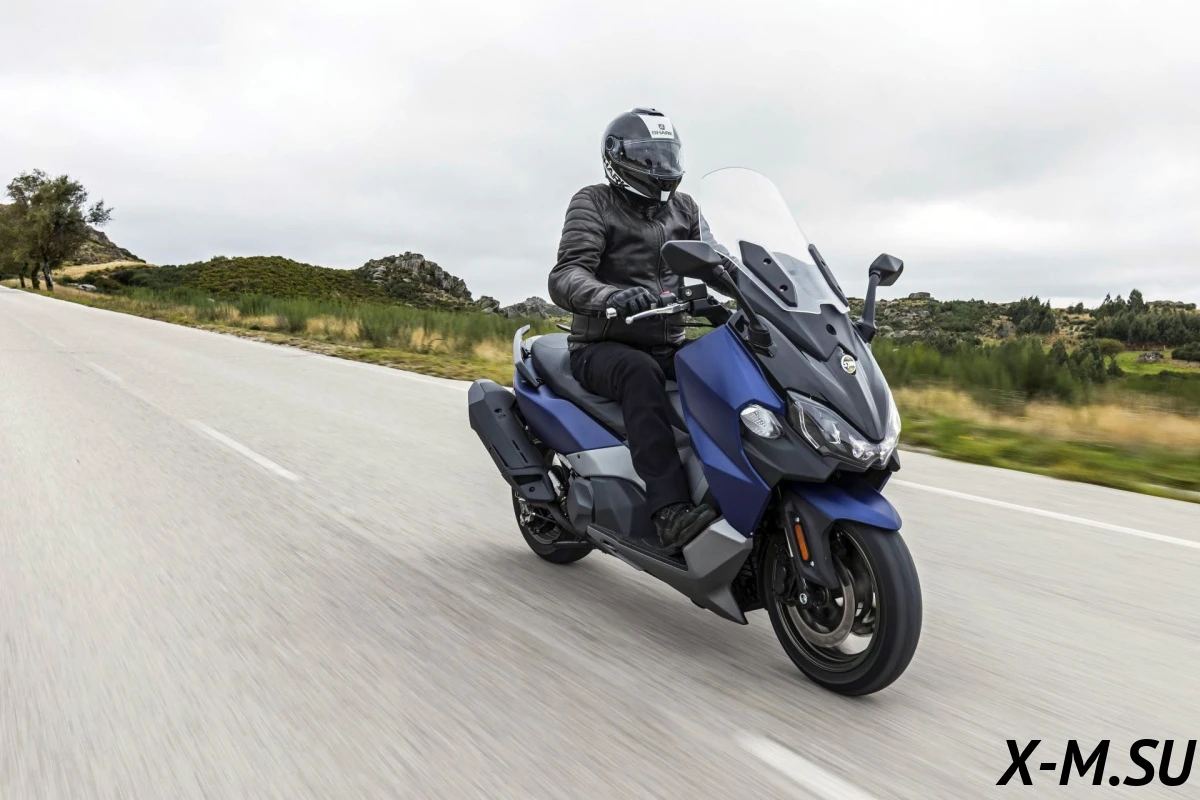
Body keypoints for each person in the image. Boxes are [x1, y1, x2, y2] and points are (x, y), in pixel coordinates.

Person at [548, 108, 719, 553]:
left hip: (669, 342)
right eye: (647, 156)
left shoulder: (685, 208)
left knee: (727, 366)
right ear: (617, 159)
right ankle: (669, 511)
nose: (660, 167)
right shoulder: (594, 202)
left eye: (666, 155)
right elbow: (567, 274)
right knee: (640, 374)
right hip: (602, 345)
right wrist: (611, 297)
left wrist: (761, 288)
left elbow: (716, 259)